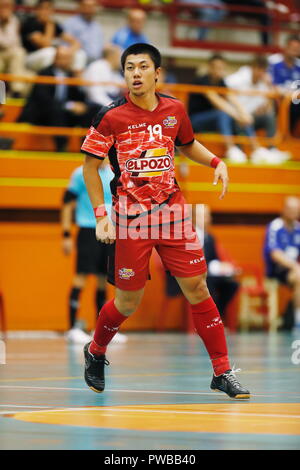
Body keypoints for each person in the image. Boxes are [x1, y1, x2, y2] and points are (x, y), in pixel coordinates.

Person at [81, 43, 250, 399]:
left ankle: (222, 370)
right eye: (129, 68)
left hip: (173, 213)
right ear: (124, 74)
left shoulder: (174, 109)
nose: (136, 73)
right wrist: (101, 216)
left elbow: (186, 144)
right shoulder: (110, 116)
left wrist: (217, 163)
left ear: (157, 73)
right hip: (131, 218)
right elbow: (90, 167)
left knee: (199, 288)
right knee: (128, 302)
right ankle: (96, 350)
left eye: (143, 67)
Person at [61, 163, 127, 344]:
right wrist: (66, 233)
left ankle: (101, 330)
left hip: (109, 231)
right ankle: (73, 327)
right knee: (80, 277)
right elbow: (67, 202)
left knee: (102, 279)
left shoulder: (113, 172)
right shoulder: (80, 173)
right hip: (88, 229)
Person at [188, 54, 266, 163]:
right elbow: (217, 101)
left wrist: (243, 114)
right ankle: (231, 149)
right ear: (210, 67)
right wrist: (238, 117)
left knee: (240, 116)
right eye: (216, 67)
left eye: (221, 68)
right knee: (224, 114)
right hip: (196, 120)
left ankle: (256, 149)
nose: (219, 71)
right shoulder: (202, 81)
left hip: (213, 118)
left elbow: (231, 97)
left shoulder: (221, 82)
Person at [18, 46, 97, 151]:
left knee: (92, 109)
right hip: (43, 113)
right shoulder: (45, 73)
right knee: (57, 110)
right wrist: (69, 106)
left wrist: (80, 84)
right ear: (55, 58)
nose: (65, 61)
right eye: (62, 58)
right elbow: (44, 100)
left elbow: (79, 97)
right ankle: (62, 148)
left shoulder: (71, 75)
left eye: (68, 58)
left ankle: (86, 147)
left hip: (64, 112)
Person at [225, 56, 290, 164]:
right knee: (246, 119)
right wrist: (240, 112)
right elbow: (224, 90)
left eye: (264, 70)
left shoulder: (264, 83)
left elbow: (269, 104)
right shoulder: (239, 77)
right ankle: (256, 151)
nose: (262, 73)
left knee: (269, 116)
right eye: (260, 69)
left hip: (250, 117)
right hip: (234, 117)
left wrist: (269, 85)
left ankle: (271, 149)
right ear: (253, 68)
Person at [195, 205, 239, 319]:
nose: (208, 219)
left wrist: (225, 268)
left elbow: (214, 259)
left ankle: (216, 315)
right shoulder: (189, 236)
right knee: (209, 284)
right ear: (195, 217)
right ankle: (209, 318)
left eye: (208, 215)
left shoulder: (210, 237)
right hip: (194, 275)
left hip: (209, 273)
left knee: (232, 284)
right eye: (204, 216)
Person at [264, 196, 300, 330]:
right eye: (291, 209)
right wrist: (295, 266)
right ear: (284, 210)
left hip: (293, 271)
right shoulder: (275, 226)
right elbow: (275, 254)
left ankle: (292, 315)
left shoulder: (298, 228)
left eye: (297, 209)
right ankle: (298, 321)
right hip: (276, 271)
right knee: (299, 275)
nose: (294, 212)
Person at [21, 0, 85, 73]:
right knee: (50, 52)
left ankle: (76, 82)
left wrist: (69, 53)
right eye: (43, 8)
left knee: (80, 54)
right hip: (30, 58)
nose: (46, 12)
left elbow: (76, 42)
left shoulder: (55, 24)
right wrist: (49, 25)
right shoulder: (30, 23)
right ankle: (49, 82)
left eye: (49, 9)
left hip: (48, 53)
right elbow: (45, 44)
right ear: (37, 10)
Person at [269, 35, 300, 136]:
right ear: (286, 47)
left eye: (297, 49)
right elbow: (269, 82)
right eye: (293, 48)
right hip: (278, 97)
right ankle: (283, 136)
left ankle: (292, 136)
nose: (295, 51)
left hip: (295, 98)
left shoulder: (299, 65)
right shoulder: (273, 61)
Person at [0, 0, 29, 97]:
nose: (5, 8)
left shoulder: (14, 20)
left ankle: (16, 91)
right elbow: (4, 42)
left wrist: (7, 22)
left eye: (8, 6)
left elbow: (15, 43)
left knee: (19, 53)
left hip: (10, 55)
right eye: (3, 5)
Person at [63, 0, 103, 65]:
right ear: (80, 7)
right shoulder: (70, 23)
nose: (89, 9)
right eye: (87, 6)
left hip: (96, 62)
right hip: (77, 62)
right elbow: (65, 48)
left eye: (92, 6)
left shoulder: (97, 26)